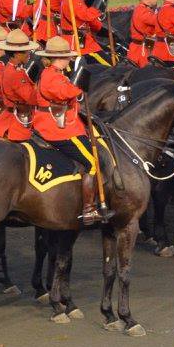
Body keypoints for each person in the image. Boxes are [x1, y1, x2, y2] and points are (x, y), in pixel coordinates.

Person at [32, 37, 110, 226]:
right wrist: (80, 81)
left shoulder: (56, 73)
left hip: (67, 123)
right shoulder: (51, 76)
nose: (69, 60)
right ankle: (89, 210)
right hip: (58, 129)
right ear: (58, 58)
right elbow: (66, 93)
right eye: (67, 57)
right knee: (93, 163)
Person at [59, 0, 108, 64]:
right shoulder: (73, 0)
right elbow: (86, 16)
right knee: (107, 65)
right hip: (80, 44)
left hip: (77, 40)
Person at [0, 29, 40, 141]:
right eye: (26, 51)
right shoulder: (15, 74)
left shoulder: (13, 68)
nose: (29, 54)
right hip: (18, 124)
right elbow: (33, 98)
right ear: (17, 54)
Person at [126, 0, 161, 67]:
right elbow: (159, 21)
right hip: (141, 52)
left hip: (140, 49)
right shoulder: (142, 11)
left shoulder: (143, 9)